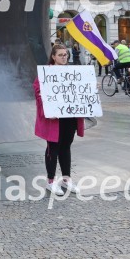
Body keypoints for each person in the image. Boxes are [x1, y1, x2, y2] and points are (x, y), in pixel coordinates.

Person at [34, 43, 85, 196]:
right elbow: (38, 92)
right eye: (61, 55)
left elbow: (82, 89)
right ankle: (51, 181)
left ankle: (66, 179)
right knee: (53, 148)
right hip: (54, 118)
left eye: (66, 55)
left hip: (70, 116)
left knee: (66, 146)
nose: (64, 57)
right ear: (54, 56)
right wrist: (48, 109)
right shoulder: (46, 72)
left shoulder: (73, 71)